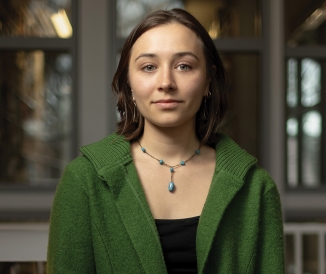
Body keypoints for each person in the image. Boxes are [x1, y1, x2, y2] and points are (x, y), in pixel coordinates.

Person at [47, 8, 285, 274]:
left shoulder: (256, 188)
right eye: (149, 67)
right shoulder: (84, 181)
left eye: (184, 66)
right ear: (129, 83)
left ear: (208, 80)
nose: (166, 82)